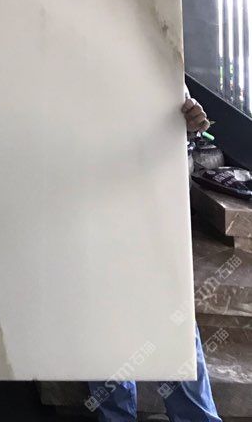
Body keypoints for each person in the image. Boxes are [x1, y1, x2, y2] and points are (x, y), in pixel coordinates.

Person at [87, 96, 222, 422]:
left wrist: (185, 131)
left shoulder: (160, 76)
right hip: (87, 217)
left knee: (174, 331)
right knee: (106, 330)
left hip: (150, 219)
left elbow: (178, 162)